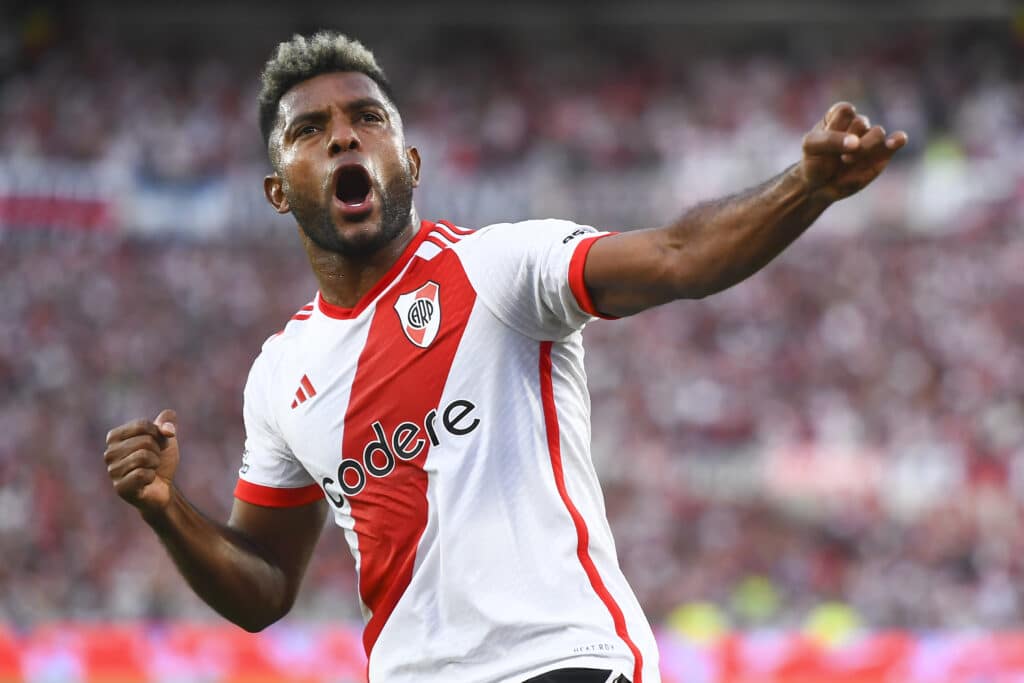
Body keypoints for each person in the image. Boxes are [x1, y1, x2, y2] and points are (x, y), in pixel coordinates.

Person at [102, 31, 907, 683]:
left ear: (408, 166)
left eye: (368, 118)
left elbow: (677, 254)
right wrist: (167, 508)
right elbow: (265, 587)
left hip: (561, 659)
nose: (344, 133)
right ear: (280, 189)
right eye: (310, 130)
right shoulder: (280, 373)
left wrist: (804, 188)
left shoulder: (498, 268)